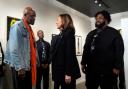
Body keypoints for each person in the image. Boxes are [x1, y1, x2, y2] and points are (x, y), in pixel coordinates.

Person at [81, 10, 124, 89]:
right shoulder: (91, 34)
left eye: (100, 18)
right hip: (91, 70)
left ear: (106, 20)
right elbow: (86, 49)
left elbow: (119, 51)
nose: (97, 20)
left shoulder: (114, 33)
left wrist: (117, 67)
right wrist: (83, 63)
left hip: (108, 71)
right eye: (96, 18)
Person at [4, 7, 37, 89]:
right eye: (32, 16)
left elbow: (31, 47)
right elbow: (13, 49)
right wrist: (19, 67)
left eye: (35, 16)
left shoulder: (29, 28)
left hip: (27, 66)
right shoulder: (17, 26)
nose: (34, 18)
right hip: (20, 67)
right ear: (25, 15)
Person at [50, 14, 81, 89]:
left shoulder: (69, 34)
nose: (56, 22)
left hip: (65, 73)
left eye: (57, 20)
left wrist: (68, 73)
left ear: (63, 21)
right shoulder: (60, 35)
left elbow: (69, 54)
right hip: (59, 72)